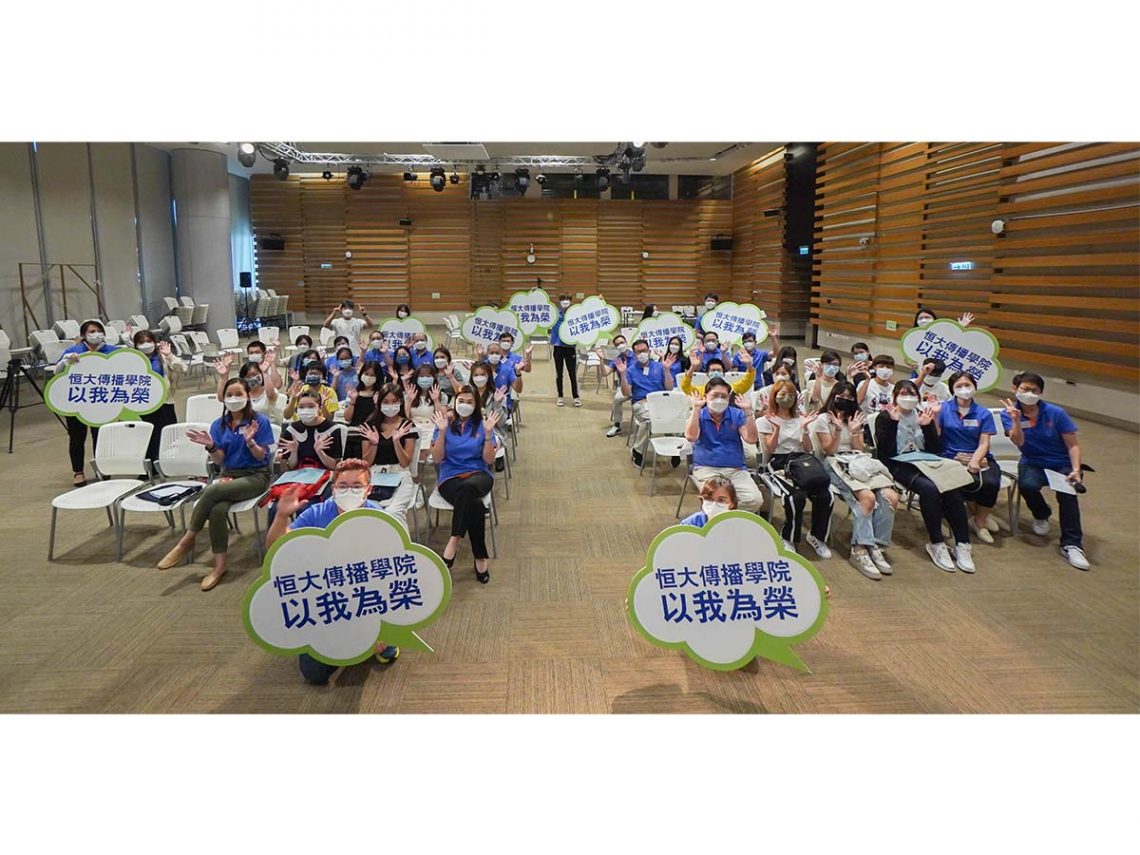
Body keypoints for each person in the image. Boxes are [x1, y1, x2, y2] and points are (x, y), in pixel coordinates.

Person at [265, 459, 402, 685]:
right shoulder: (316, 514)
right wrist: (281, 516)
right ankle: (347, 641)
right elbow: (276, 547)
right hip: (325, 596)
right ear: (333, 488)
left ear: (368, 490)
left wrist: (383, 624)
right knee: (315, 674)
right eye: (342, 485)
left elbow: (390, 576)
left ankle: (373, 639)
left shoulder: (378, 518)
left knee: (381, 649)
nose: (350, 491)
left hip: (365, 596)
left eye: (357, 486)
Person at [157, 378, 274, 589]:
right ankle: (219, 566)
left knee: (211, 490)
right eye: (229, 395)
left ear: (248, 396)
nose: (234, 399)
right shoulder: (218, 425)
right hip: (229, 475)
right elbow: (220, 460)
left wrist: (250, 441)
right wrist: (211, 446)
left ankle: (187, 540)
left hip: (256, 476)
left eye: (239, 394)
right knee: (217, 510)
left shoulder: (260, 422)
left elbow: (260, 457)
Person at [875, 380, 975, 573]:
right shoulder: (886, 417)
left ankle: (963, 543)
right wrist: (894, 424)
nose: (908, 397)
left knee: (951, 487)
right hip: (898, 463)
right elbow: (884, 452)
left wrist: (928, 427)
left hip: (925, 461)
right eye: (903, 393)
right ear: (894, 397)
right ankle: (937, 543)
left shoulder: (922, 415)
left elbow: (935, 449)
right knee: (929, 489)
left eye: (912, 394)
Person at [999, 372, 1089, 570]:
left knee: (1068, 495)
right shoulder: (1009, 413)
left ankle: (1072, 544)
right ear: (1015, 390)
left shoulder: (1056, 413)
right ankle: (1041, 513)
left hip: (1062, 462)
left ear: (1041, 393)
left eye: (1034, 390)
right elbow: (1018, 441)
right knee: (1027, 485)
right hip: (1032, 461)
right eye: (1025, 389)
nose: (1029, 393)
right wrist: (1015, 420)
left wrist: (1075, 469)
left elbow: (1073, 444)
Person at [812, 382, 896, 579]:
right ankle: (859, 549)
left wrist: (855, 431)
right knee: (867, 498)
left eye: (850, 398)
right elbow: (829, 451)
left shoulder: (855, 417)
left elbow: (859, 449)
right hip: (835, 463)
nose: (846, 401)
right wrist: (839, 431)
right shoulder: (824, 419)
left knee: (890, 496)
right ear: (834, 396)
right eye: (842, 396)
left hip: (859, 461)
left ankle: (875, 544)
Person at [430, 389, 500, 583]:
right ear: (455, 403)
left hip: (479, 475)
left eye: (470, 401)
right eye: (461, 401)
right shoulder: (444, 423)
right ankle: (479, 556)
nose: (465, 404)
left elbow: (489, 460)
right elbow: (437, 458)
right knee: (475, 504)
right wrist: (442, 432)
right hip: (450, 478)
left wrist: (487, 435)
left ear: (476, 404)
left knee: (468, 488)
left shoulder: (483, 425)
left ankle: (455, 539)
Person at [758, 378, 833, 557]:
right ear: (774, 396)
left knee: (826, 494)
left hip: (802, 460)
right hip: (779, 463)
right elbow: (770, 449)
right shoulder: (766, 420)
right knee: (795, 497)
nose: (787, 398)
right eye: (782, 394)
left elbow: (808, 449)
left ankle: (817, 537)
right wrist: (776, 428)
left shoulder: (801, 418)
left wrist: (805, 429)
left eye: (791, 395)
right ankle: (788, 537)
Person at [938, 371, 1001, 546]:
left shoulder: (983, 413)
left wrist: (974, 460)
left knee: (990, 483)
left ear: (975, 387)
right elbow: (934, 438)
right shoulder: (942, 409)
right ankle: (973, 514)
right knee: (960, 483)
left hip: (980, 458)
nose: (964, 389)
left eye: (968, 385)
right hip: (951, 457)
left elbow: (984, 442)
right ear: (952, 389)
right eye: (959, 386)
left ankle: (980, 520)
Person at [683, 378, 763, 513]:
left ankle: (730, 523)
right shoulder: (699, 415)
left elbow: (751, 438)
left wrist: (749, 412)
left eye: (724, 396)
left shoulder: (736, 414)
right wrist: (696, 408)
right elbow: (691, 436)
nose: (719, 400)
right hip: (707, 469)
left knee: (754, 500)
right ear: (706, 396)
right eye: (715, 396)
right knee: (716, 501)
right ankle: (721, 526)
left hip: (736, 470)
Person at [58, 320, 118, 486]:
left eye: (99, 330)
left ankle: (102, 467)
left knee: (101, 436)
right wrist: (65, 362)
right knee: (77, 437)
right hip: (77, 402)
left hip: (101, 401)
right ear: (83, 335)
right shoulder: (73, 351)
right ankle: (78, 472)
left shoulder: (111, 351)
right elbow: (57, 373)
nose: (96, 334)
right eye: (92, 331)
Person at [358, 383, 420, 533]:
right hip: (375, 473)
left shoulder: (407, 425)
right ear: (380, 403)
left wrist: (396, 442)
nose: (390, 405)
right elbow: (366, 462)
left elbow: (405, 462)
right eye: (386, 402)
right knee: (369, 511)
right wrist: (374, 444)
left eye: (394, 401)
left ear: (400, 402)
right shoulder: (370, 425)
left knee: (393, 512)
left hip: (401, 474)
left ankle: (401, 549)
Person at [617, 338, 676, 467]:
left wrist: (666, 370)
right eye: (638, 352)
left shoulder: (660, 366)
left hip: (661, 402)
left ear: (649, 351)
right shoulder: (631, 370)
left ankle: (675, 450)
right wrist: (622, 375)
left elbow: (670, 388)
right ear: (634, 354)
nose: (641, 354)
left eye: (644, 350)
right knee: (649, 420)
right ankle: (637, 451)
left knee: (676, 417)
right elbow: (627, 393)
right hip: (641, 403)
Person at [132, 330, 177, 464]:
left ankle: (168, 462)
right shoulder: (132, 359)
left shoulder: (162, 357)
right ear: (136, 345)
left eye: (148, 341)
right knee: (146, 434)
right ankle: (148, 464)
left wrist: (170, 356)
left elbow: (181, 368)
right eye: (141, 342)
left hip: (164, 400)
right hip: (142, 401)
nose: (146, 344)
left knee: (166, 432)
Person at [342, 361, 382, 459]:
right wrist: (353, 401)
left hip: (370, 434)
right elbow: (347, 418)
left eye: (372, 375)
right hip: (352, 432)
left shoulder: (380, 393)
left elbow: (379, 418)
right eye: (366, 374)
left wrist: (377, 404)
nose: (368, 377)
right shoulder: (355, 392)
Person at [596, 333, 631, 437]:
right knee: (617, 399)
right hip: (626, 387)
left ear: (626, 343)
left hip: (640, 386)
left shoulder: (636, 356)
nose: (621, 345)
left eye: (622, 342)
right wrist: (601, 360)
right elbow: (605, 373)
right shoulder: (617, 359)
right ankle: (617, 425)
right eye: (618, 344)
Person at [550, 293, 581, 407]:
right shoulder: (554, 314)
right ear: (559, 301)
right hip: (558, 347)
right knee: (559, 373)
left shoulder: (574, 313)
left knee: (572, 373)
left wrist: (599, 300)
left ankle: (576, 396)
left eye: (567, 299)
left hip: (570, 347)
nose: (565, 301)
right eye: (563, 299)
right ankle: (560, 396)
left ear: (570, 301)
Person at [680, 350, 755, 398]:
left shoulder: (732, 389)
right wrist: (692, 367)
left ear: (724, 373)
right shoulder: (701, 390)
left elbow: (747, 382)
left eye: (719, 370)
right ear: (707, 374)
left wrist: (749, 365)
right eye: (713, 370)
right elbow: (685, 387)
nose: (716, 372)